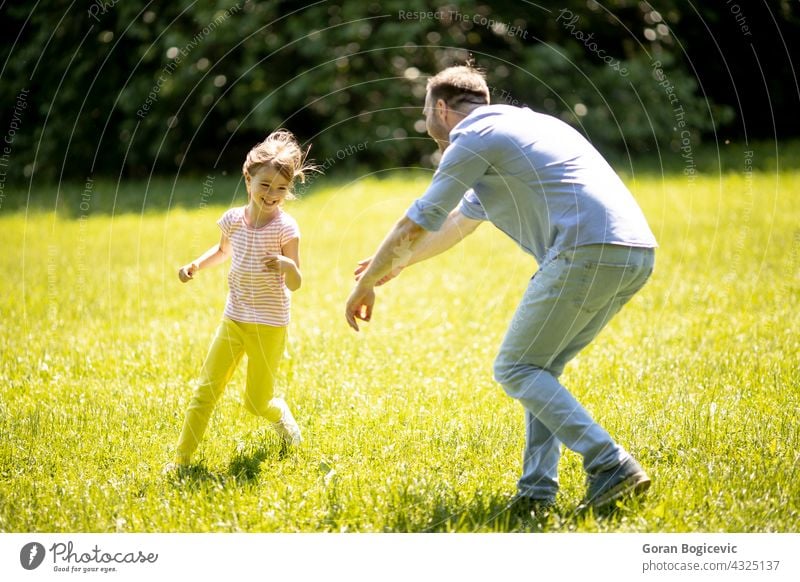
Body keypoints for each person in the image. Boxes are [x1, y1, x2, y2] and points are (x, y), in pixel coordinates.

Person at [346, 65, 657, 514]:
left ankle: (610, 464)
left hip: (583, 251)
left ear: (440, 108)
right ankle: (536, 492)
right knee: (540, 371)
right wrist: (398, 265)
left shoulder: (471, 139)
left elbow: (419, 218)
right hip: (635, 252)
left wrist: (367, 281)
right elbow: (457, 224)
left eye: (427, 116)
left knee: (516, 368)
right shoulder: (527, 126)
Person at [167, 130, 313, 472]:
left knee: (257, 402)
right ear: (248, 180)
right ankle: (182, 461)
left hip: (269, 325)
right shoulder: (233, 219)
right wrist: (195, 266)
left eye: (280, 188)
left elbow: (296, 282)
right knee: (205, 391)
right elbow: (222, 251)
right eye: (264, 185)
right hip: (234, 318)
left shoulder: (286, 229)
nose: (272, 194)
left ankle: (286, 424)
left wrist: (287, 264)